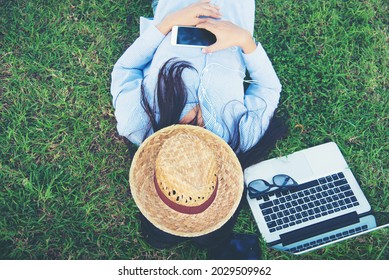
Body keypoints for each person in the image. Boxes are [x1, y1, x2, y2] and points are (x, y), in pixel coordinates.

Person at [110, 0, 287, 258]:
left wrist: (167, 24)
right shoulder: (240, 137)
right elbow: (269, 89)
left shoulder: (137, 123)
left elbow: (125, 69)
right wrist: (245, 41)